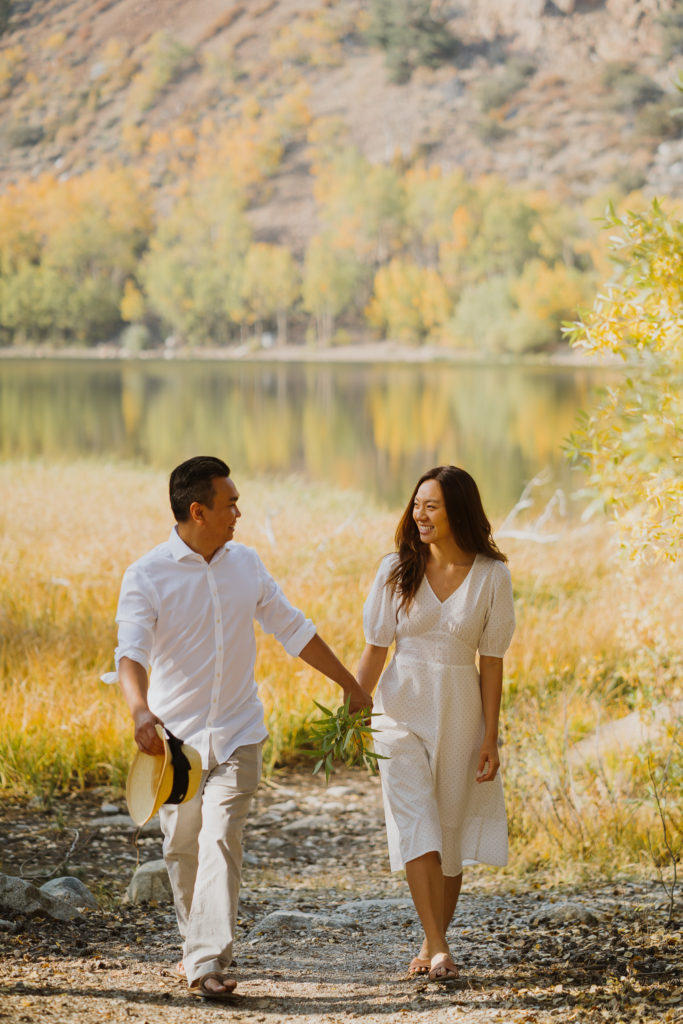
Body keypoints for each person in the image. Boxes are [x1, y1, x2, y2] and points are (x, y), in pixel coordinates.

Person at [105, 456, 372, 1001]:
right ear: (198, 511)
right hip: (175, 746)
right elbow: (130, 653)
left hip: (238, 731)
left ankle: (208, 960)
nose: (239, 513)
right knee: (182, 846)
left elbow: (292, 627)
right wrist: (139, 711)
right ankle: (197, 949)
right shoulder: (147, 574)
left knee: (221, 835)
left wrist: (350, 683)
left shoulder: (246, 564)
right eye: (230, 504)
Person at [358, 465, 515, 983]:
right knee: (416, 821)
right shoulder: (395, 568)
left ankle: (431, 942)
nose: (420, 515)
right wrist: (351, 710)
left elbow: (492, 661)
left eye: (433, 506)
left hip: (460, 711)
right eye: (417, 505)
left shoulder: (492, 575)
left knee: (448, 831)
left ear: (458, 512)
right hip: (398, 710)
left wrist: (490, 736)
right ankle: (442, 944)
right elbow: (375, 648)